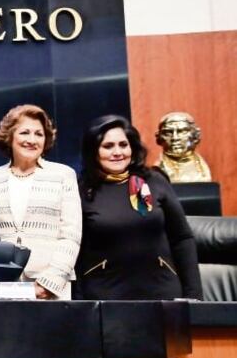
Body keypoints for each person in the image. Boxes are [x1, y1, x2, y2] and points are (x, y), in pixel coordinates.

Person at [75, 114, 202, 300]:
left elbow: (182, 238)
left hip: (162, 294)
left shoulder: (154, 180)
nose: (117, 152)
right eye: (108, 146)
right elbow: (75, 252)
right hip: (107, 298)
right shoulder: (81, 190)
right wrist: (78, 303)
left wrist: (194, 295)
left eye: (123, 145)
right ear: (94, 151)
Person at [0, 105, 81, 300]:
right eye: (25, 132)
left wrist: (48, 283)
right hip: (4, 289)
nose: (32, 140)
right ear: (10, 136)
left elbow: (70, 235)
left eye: (39, 134)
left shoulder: (63, 175)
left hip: (52, 289)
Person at [154, 111, 212, 182]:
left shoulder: (202, 167)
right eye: (168, 133)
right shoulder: (158, 170)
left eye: (182, 131)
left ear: (195, 136)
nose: (175, 138)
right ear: (159, 138)